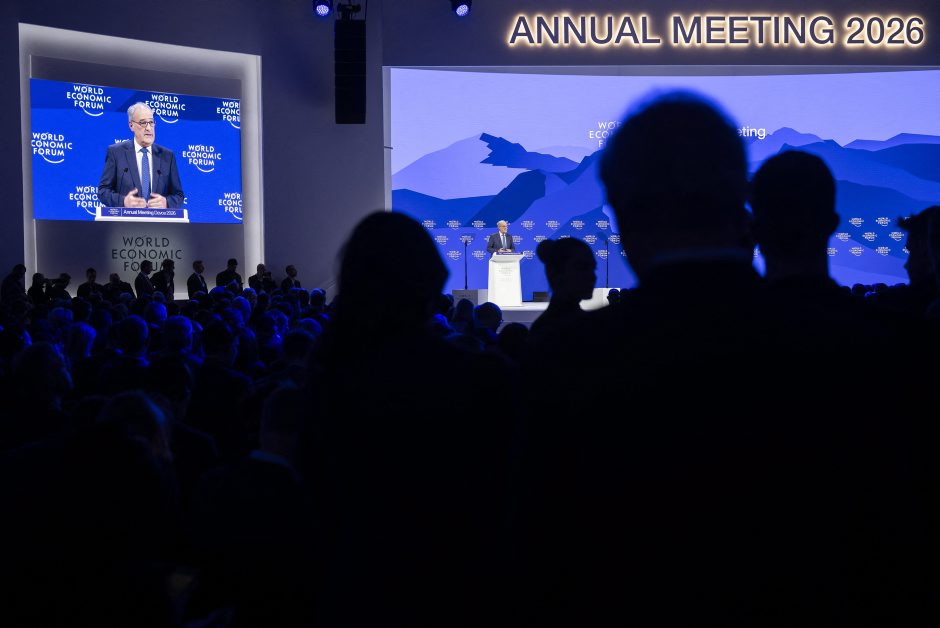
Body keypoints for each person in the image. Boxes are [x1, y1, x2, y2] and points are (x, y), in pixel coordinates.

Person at [97, 102, 184, 210]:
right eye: (143, 123)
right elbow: (103, 191)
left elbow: (179, 195)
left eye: (151, 122)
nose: (148, 128)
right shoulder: (116, 153)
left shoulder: (167, 156)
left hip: (158, 220)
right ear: (131, 125)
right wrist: (123, 201)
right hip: (127, 219)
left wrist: (166, 202)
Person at [529, 237, 596, 337]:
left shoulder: (542, 327)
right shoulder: (546, 331)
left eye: (593, 268)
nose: (593, 277)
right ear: (557, 273)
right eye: (583, 268)